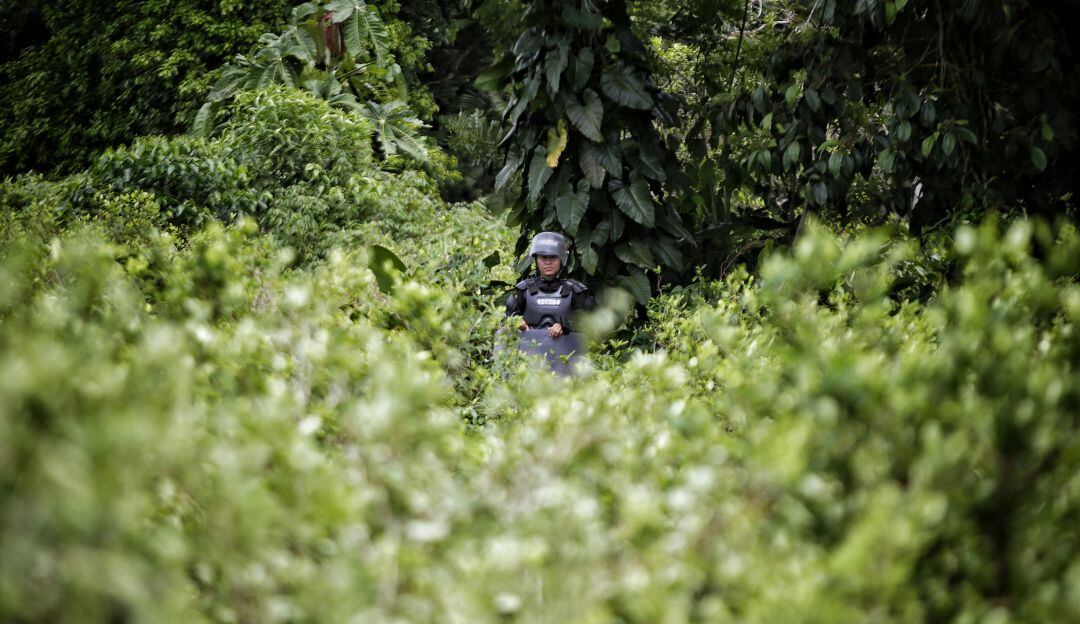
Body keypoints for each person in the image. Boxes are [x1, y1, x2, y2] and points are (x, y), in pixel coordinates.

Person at [506, 232, 596, 339]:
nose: (548, 262)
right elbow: (507, 320)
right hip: (529, 352)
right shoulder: (523, 290)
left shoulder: (575, 291)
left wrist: (565, 326)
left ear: (562, 259)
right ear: (536, 260)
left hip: (566, 353)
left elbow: (588, 325)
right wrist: (515, 321)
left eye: (553, 257)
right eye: (543, 257)